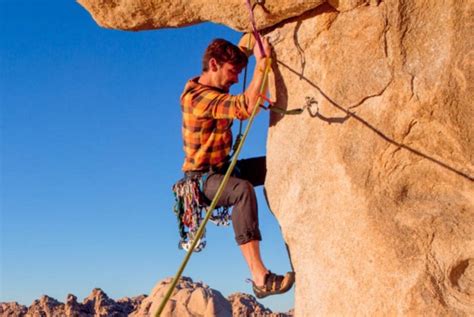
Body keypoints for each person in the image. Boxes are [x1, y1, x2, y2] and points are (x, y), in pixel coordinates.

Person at [179, 35, 295, 298]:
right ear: (213, 64)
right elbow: (245, 106)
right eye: (232, 73)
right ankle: (260, 277)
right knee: (242, 190)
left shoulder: (217, 83)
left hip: (222, 169)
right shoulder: (196, 98)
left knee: (275, 164)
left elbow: (242, 48)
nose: (235, 79)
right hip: (201, 180)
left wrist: (252, 41)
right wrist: (261, 66)